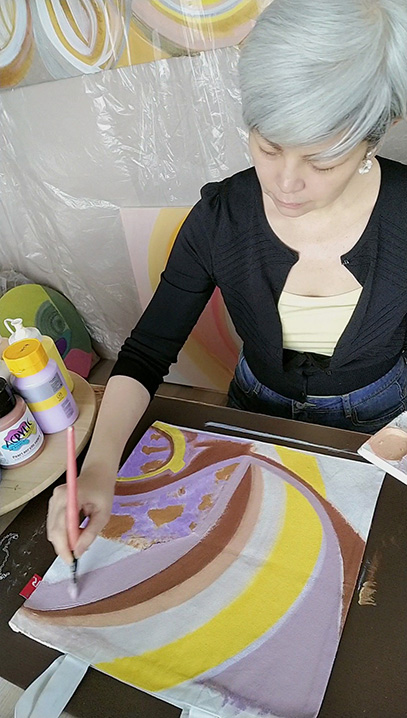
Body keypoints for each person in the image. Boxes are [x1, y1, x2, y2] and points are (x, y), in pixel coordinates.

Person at [48, 0, 407, 562]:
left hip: (382, 420)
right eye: (268, 146)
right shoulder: (223, 218)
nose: (285, 183)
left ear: (375, 137)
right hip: (251, 404)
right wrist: (98, 466)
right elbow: (146, 352)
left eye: (322, 161)